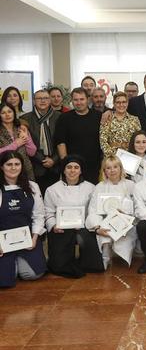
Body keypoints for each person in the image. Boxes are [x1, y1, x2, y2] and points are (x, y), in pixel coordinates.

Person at [44, 155, 103, 278]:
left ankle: (85, 263)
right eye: (69, 167)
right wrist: (54, 225)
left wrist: (86, 224)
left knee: (92, 260)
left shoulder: (91, 188)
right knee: (59, 264)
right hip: (60, 228)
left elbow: (93, 211)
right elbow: (48, 213)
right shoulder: (52, 190)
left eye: (76, 167)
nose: (72, 170)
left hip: (83, 227)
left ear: (81, 170)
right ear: (64, 170)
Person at [0, 151, 47, 288]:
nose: (13, 168)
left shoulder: (32, 186)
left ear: (22, 166)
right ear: (2, 167)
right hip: (3, 242)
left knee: (33, 274)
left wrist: (34, 237)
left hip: (27, 239)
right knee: (6, 278)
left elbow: (39, 215)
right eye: (9, 164)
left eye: (17, 164)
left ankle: (17, 261)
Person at [85, 155, 137, 269]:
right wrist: (97, 227)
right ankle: (105, 257)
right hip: (105, 222)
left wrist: (124, 212)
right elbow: (93, 210)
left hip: (125, 222)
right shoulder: (99, 187)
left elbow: (136, 207)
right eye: (108, 168)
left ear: (121, 168)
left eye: (115, 167)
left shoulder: (130, 185)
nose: (112, 170)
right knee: (106, 230)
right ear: (104, 171)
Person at [54, 87, 102, 184]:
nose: (79, 102)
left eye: (82, 99)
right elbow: (60, 143)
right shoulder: (64, 118)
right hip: (73, 167)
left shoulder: (99, 116)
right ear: (72, 100)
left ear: (88, 100)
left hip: (94, 166)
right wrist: (66, 164)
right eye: (76, 100)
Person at [21, 90, 61, 193]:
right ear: (34, 101)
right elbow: (26, 143)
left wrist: (54, 160)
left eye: (46, 98)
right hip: (35, 166)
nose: (42, 101)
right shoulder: (25, 119)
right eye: (39, 98)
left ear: (50, 100)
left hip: (56, 166)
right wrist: (42, 159)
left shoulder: (60, 117)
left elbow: (64, 140)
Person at [0, 103, 37, 181]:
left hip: (25, 171)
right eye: (3, 113)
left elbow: (32, 152)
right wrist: (15, 144)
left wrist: (27, 139)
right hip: (4, 172)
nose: (7, 115)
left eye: (9, 111)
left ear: (14, 113)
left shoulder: (21, 128)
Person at [99, 91, 141, 158]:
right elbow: (103, 141)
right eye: (118, 102)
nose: (121, 105)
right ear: (114, 103)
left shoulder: (134, 120)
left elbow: (139, 139)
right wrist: (113, 157)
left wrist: (133, 155)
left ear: (127, 103)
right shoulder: (107, 118)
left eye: (124, 102)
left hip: (130, 157)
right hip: (111, 158)